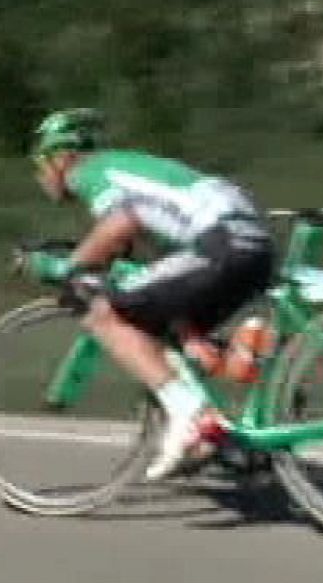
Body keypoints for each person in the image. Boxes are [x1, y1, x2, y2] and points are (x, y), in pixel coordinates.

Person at [15, 109, 276, 479]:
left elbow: (119, 224)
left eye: (40, 165)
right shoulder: (134, 166)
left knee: (104, 314)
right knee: (170, 327)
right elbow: (155, 248)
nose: (40, 177)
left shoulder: (88, 172)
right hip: (252, 245)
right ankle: (217, 435)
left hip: (221, 243)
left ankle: (191, 417)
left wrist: (63, 267)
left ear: (60, 158)